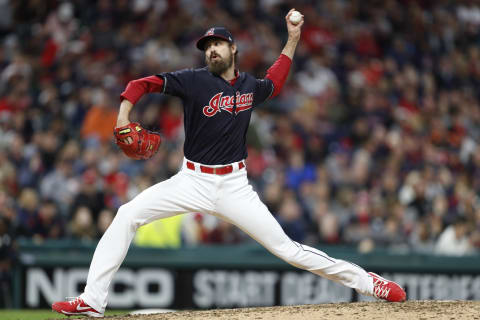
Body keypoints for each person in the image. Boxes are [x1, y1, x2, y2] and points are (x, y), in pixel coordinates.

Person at [52, 9, 406, 318]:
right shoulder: (193, 80)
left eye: (217, 43)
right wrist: (123, 114)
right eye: (207, 46)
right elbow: (142, 83)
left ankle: (367, 282)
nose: (211, 50)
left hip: (235, 187)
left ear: (233, 48)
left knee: (289, 250)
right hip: (191, 181)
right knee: (127, 214)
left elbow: (276, 81)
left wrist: (293, 38)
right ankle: (93, 301)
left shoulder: (249, 87)